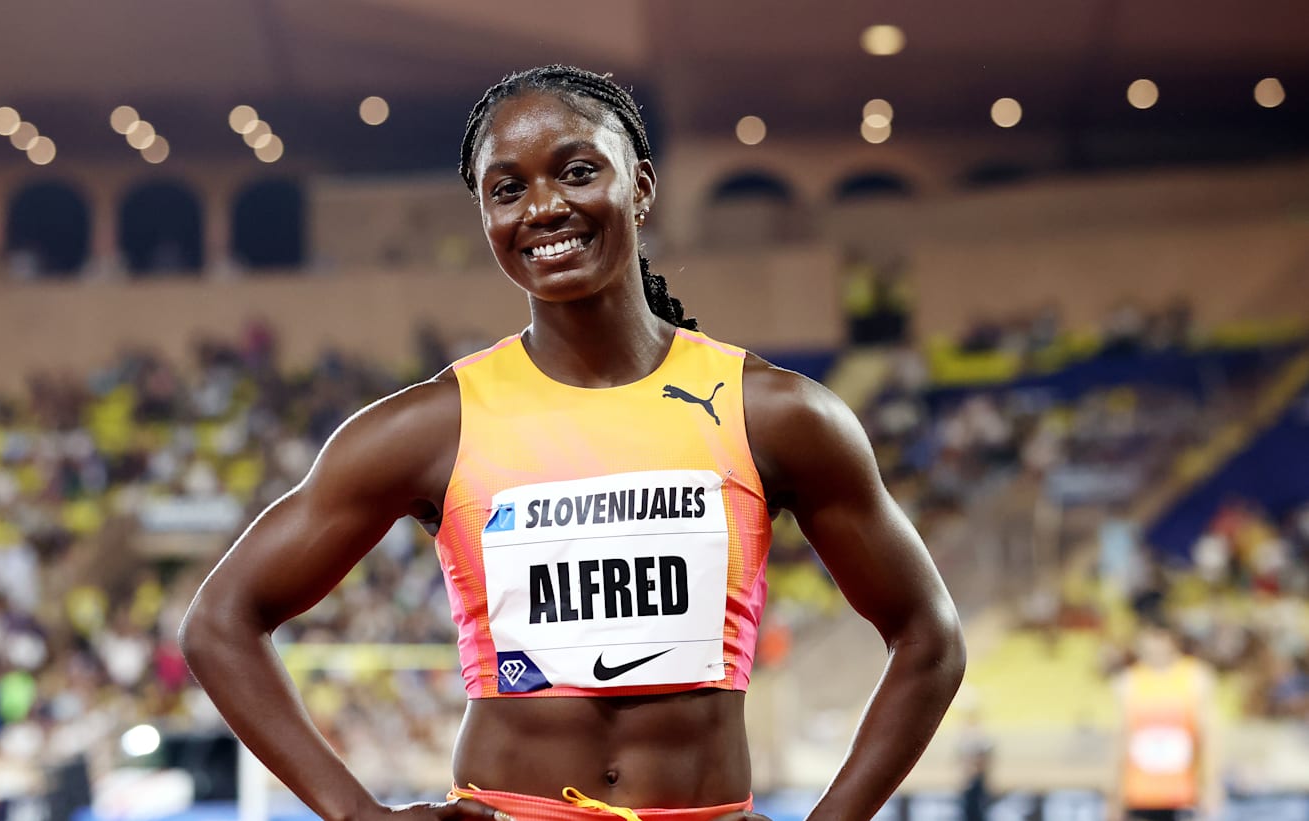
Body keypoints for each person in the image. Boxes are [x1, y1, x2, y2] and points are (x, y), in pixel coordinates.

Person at [180, 65, 965, 821]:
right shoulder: (432, 425)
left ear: (642, 186)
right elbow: (220, 620)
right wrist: (355, 812)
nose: (543, 206)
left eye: (578, 171)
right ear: (486, 217)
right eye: (507, 189)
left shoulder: (775, 412)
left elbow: (928, 636)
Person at [1111, 620, 1220, 821]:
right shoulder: (1129, 681)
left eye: (1158, 638)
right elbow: (1122, 741)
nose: (1152, 646)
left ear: (1171, 640)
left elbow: (1206, 737)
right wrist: (1116, 795)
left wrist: (1210, 785)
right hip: (1139, 793)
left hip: (1183, 793)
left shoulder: (1195, 677)